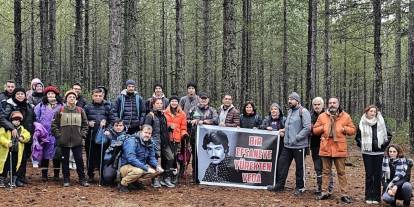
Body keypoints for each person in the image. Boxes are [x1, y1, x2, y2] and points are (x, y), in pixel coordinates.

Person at [313, 97, 356, 203]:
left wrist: (344, 129)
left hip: (339, 147)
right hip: (326, 146)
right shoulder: (322, 116)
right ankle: (324, 192)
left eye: (334, 102)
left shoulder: (345, 116)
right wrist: (323, 128)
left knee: (341, 172)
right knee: (326, 172)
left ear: (338, 104)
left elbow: (353, 130)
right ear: (328, 104)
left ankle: (344, 194)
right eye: (330, 103)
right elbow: (314, 130)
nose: (332, 104)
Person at [271, 92, 311, 196]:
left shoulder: (303, 111)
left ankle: (300, 187)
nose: (289, 101)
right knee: (282, 164)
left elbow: (307, 128)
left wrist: (297, 138)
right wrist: (283, 130)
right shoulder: (290, 111)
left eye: (292, 99)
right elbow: (290, 127)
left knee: (299, 167)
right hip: (287, 145)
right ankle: (280, 185)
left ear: (297, 101)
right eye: (288, 99)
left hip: (299, 145)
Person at [355, 105, 392, 204]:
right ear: (366, 112)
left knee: (377, 174)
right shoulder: (362, 122)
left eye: (374, 111)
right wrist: (362, 144)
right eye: (371, 111)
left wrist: (383, 145)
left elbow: (388, 135)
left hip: (378, 152)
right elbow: (357, 137)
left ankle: (376, 197)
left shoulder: (381, 122)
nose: (373, 113)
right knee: (369, 174)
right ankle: (368, 196)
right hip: (367, 152)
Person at [51, 90, 89, 187]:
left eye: (73, 97)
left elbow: (85, 124)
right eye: (70, 97)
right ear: (66, 99)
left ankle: (82, 178)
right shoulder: (61, 110)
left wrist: (82, 135)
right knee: (65, 161)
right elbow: (54, 125)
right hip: (64, 141)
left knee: (79, 160)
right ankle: (66, 179)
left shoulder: (80, 110)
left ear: (76, 99)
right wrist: (59, 135)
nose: (71, 99)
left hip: (77, 141)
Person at [0, 88, 35, 186]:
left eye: (22, 94)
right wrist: (12, 128)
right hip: (12, 135)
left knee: (23, 157)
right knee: (10, 158)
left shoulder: (28, 105)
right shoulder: (10, 105)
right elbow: (2, 118)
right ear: (14, 95)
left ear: (25, 95)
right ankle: (6, 177)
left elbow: (33, 117)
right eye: (18, 94)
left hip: (25, 134)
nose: (20, 96)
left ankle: (20, 177)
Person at [118, 124, 164, 193]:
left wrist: (157, 166)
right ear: (141, 131)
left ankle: (134, 182)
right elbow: (131, 159)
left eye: (149, 133)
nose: (147, 135)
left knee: (156, 171)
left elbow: (152, 158)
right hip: (126, 166)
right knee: (139, 171)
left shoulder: (150, 142)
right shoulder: (131, 141)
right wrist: (146, 168)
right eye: (145, 132)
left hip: (139, 166)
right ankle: (122, 184)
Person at [84, 88, 114, 183]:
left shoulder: (107, 107)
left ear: (103, 96)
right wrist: (88, 123)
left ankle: (102, 175)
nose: (98, 97)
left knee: (102, 156)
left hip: (103, 136)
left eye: (100, 96)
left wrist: (108, 128)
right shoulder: (87, 107)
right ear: (92, 96)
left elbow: (113, 120)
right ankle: (90, 175)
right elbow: (82, 121)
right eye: (96, 96)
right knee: (90, 156)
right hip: (91, 135)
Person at [34, 85, 63, 182]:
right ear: (46, 95)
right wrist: (38, 131)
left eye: (52, 94)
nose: (50, 95)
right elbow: (36, 119)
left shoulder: (61, 106)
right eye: (48, 94)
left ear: (56, 95)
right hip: (44, 135)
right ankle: (44, 175)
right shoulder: (41, 106)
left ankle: (56, 174)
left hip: (57, 135)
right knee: (44, 155)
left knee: (57, 155)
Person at [188, 92, 218, 183]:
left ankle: (210, 176)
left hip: (209, 139)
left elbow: (216, 120)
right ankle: (195, 176)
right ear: (199, 99)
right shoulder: (193, 109)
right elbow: (186, 120)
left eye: (205, 98)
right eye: (202, 98)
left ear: (208, 100)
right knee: (195, 157)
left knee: (209, 156)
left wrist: (204, 121)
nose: (203, 100)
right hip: (195, 137)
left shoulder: (212, 110)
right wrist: (192, 121)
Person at [144, 98, 174, 188]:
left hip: (165, 141)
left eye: (161, 103)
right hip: (154, 142)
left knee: (170, 158)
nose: (159, 105)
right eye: (157, 103)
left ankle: (166, 178)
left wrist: (169, 129)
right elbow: (146, 129)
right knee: (156, 160)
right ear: (153, 104)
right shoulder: (150, 115)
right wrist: (149, 141)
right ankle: (155, 179)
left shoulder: (163, 115)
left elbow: (162, 129)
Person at [310, 97, 334, 195]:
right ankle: (319, 186)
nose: (317, 106)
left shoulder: (328, 115)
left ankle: (329, 187)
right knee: (317, 167)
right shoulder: (310, 116)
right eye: (315, 104)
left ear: (323, 105)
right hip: (315, 145)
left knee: (326, 167)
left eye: (318, 104)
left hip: (327, 144)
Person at [0, 111, 30, 187]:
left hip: (16, 152)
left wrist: (22, 137)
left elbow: (28, 135)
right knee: (4, 166)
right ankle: (2, 179)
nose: (17, 122)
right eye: (15, 120)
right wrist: (7, 142)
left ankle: (13, 180)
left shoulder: (22, 129)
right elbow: (1, 137)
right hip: (6, 152)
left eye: (19, 120)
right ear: (11, 120)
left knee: (15, 166)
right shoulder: (5, 128)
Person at [164, 95, 188, 184]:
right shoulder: (165, 113)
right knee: (167, 158)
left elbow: (183, 127)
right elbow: (163, 126)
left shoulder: (182, 114)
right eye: (172, 101)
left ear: (178, 103)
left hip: (177, 140)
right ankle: (166, 175)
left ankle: (174, 175)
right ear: (169, 102)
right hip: (167, 139)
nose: (174, 103)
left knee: (176, 158)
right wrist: (169, 128)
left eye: (175, 101)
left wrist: (184, 134)